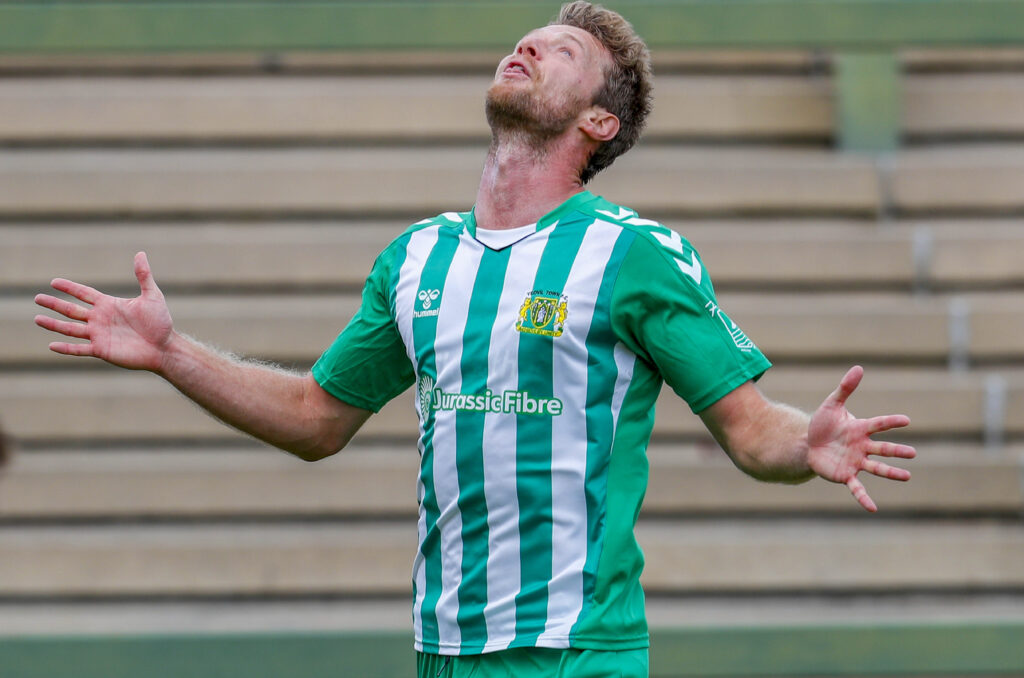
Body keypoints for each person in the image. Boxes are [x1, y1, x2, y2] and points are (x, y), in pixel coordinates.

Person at [34, 2, 916, 676]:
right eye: (526, 40)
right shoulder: (418, 256)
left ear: (598, 123)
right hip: (440, 646)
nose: (529, 47)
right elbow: (315, 418)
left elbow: (749, 426)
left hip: (577, 650)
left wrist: (807, 442)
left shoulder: (632, 254)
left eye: (560, 51)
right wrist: (169, 351)